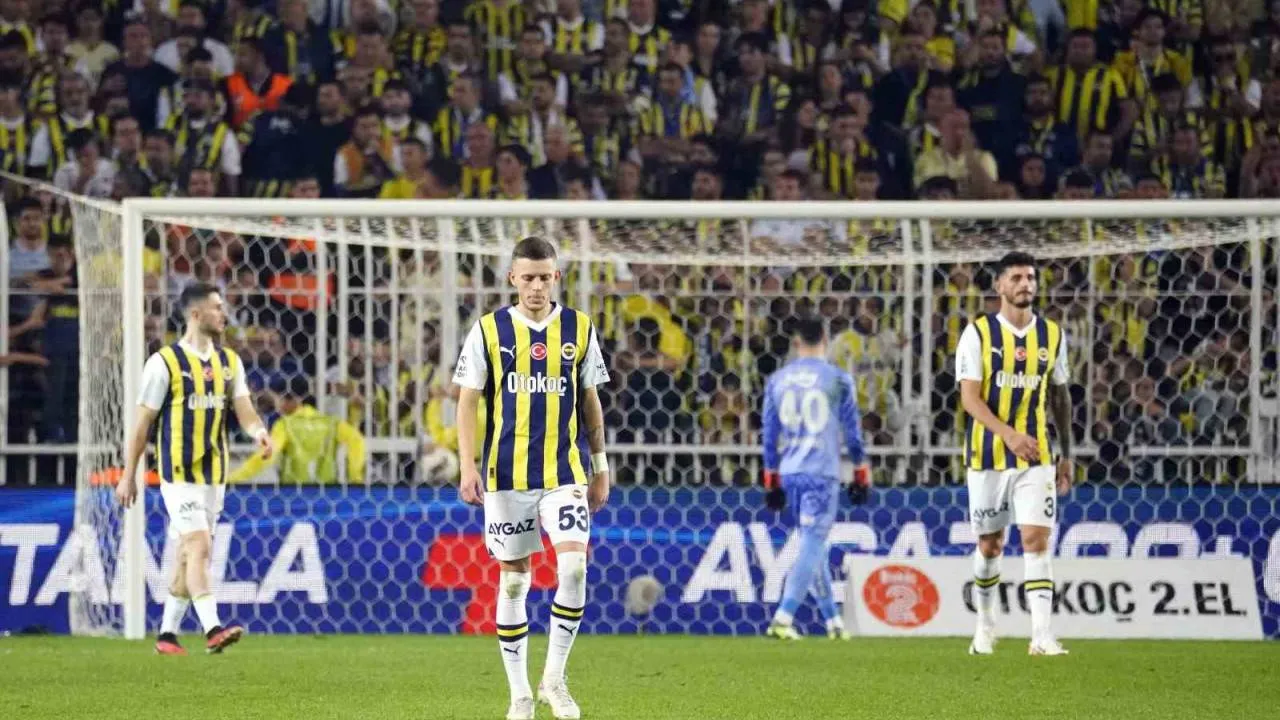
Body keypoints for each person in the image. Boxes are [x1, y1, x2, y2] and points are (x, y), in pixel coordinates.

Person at [452, 236, 611, 720]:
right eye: (528, 277)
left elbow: (590, 401)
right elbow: (467, 400)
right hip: (507, 475)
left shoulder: (579, 328)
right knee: (515, 582)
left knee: (574, 568)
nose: (537, 286)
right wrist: (467, 465)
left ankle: (554, 680)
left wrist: (601, 466)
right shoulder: (488, 330)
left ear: (556, 277)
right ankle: (520, 694)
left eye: (545, 277)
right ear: (512, 279)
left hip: (565, 472)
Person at [116, 283, 274, 656]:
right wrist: (128, 474)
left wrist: (259, 432)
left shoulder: (229, 362)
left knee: (189, 554)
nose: (224, 314)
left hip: (214, 474)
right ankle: (213, 629)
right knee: (200, 545)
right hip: (178, 473)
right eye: (217, 307)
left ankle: (167, 635)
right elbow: (142, 423)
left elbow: (243, 407)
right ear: (195, 314)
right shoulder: (164, 363)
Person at [955, 251, 1073, 657]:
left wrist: (1067, 453)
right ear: (999, 285)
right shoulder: (978, 334)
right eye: (1017, 278)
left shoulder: (1052, 335)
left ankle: (1042, 636)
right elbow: (970, 399)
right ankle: (985, 626)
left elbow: (1060, 396)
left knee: (1036, 539)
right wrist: (1007, 435)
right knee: (990, 546)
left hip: (1036, 454)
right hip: (987, 455)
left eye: (1031, 278)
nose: (1026, 284)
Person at [760, 316, 870, 641]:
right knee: (813, 540)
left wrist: (771, 477)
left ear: (796, 343)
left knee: (813, 540)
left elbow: (769, 435)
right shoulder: (837, 378)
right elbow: (852, 432)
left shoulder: (778, 380)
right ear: (826, 339)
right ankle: (783, 616)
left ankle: (833, 621)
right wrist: (860, 469)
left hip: (790, 472)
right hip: (821, 471)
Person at [230, 376, 366, 485]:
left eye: (280, 399)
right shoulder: (331, 423)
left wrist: (234, 478)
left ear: (294, 400)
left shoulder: (285, 425)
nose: (278, 405)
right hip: (327, 495)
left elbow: (267, 455)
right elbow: (357, 441)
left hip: (293, 495)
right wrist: (355, 477)